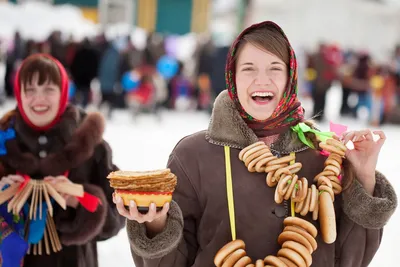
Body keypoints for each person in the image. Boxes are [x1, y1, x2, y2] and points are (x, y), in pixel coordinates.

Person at [114, 21, 397, 266]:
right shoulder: (192, 156)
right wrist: (154, 224)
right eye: (248, 68)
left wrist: (363, 176)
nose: (262, 80)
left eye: (275, 68)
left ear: (290, 78)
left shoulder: (323, 155)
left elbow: (351, 259)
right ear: (232, 78)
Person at [0, 54, 125, 267]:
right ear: (20, 95)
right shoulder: (4, 143)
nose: (39, 99)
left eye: (48, 89)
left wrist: (81, 199)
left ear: (63, 92)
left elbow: (116, 220)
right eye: (30, 90)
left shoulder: (92, 147)